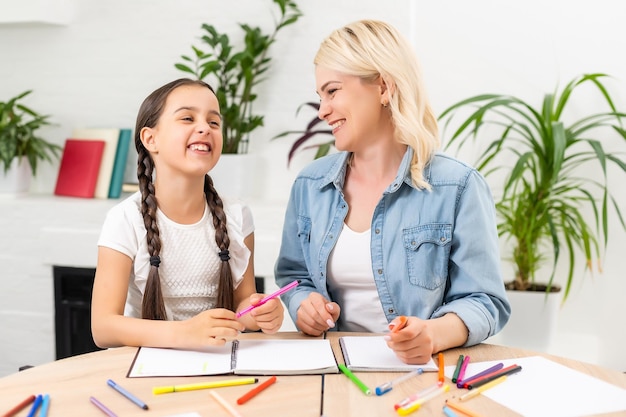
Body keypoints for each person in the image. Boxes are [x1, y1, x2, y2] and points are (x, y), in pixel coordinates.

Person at [275, 20, 511, 364]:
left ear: (383, 87)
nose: (323, 110)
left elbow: (485, 301)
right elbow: (294, 276)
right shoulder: (310, 186)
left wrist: (432, 334)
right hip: (330, 370)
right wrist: (302, 305)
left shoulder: (457, 187)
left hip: (418, 375)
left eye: (332, 91)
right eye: (320, 95)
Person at [91, 78, 284, 349]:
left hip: (220, 361)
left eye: (214, 122)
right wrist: (185, 333)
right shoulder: (124, 219)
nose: (204, 128)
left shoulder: (237, 215)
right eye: (187, 118)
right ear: (150, 139)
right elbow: (103, 327)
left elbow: (243, 303)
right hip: (148, 366)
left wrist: (258, 314)